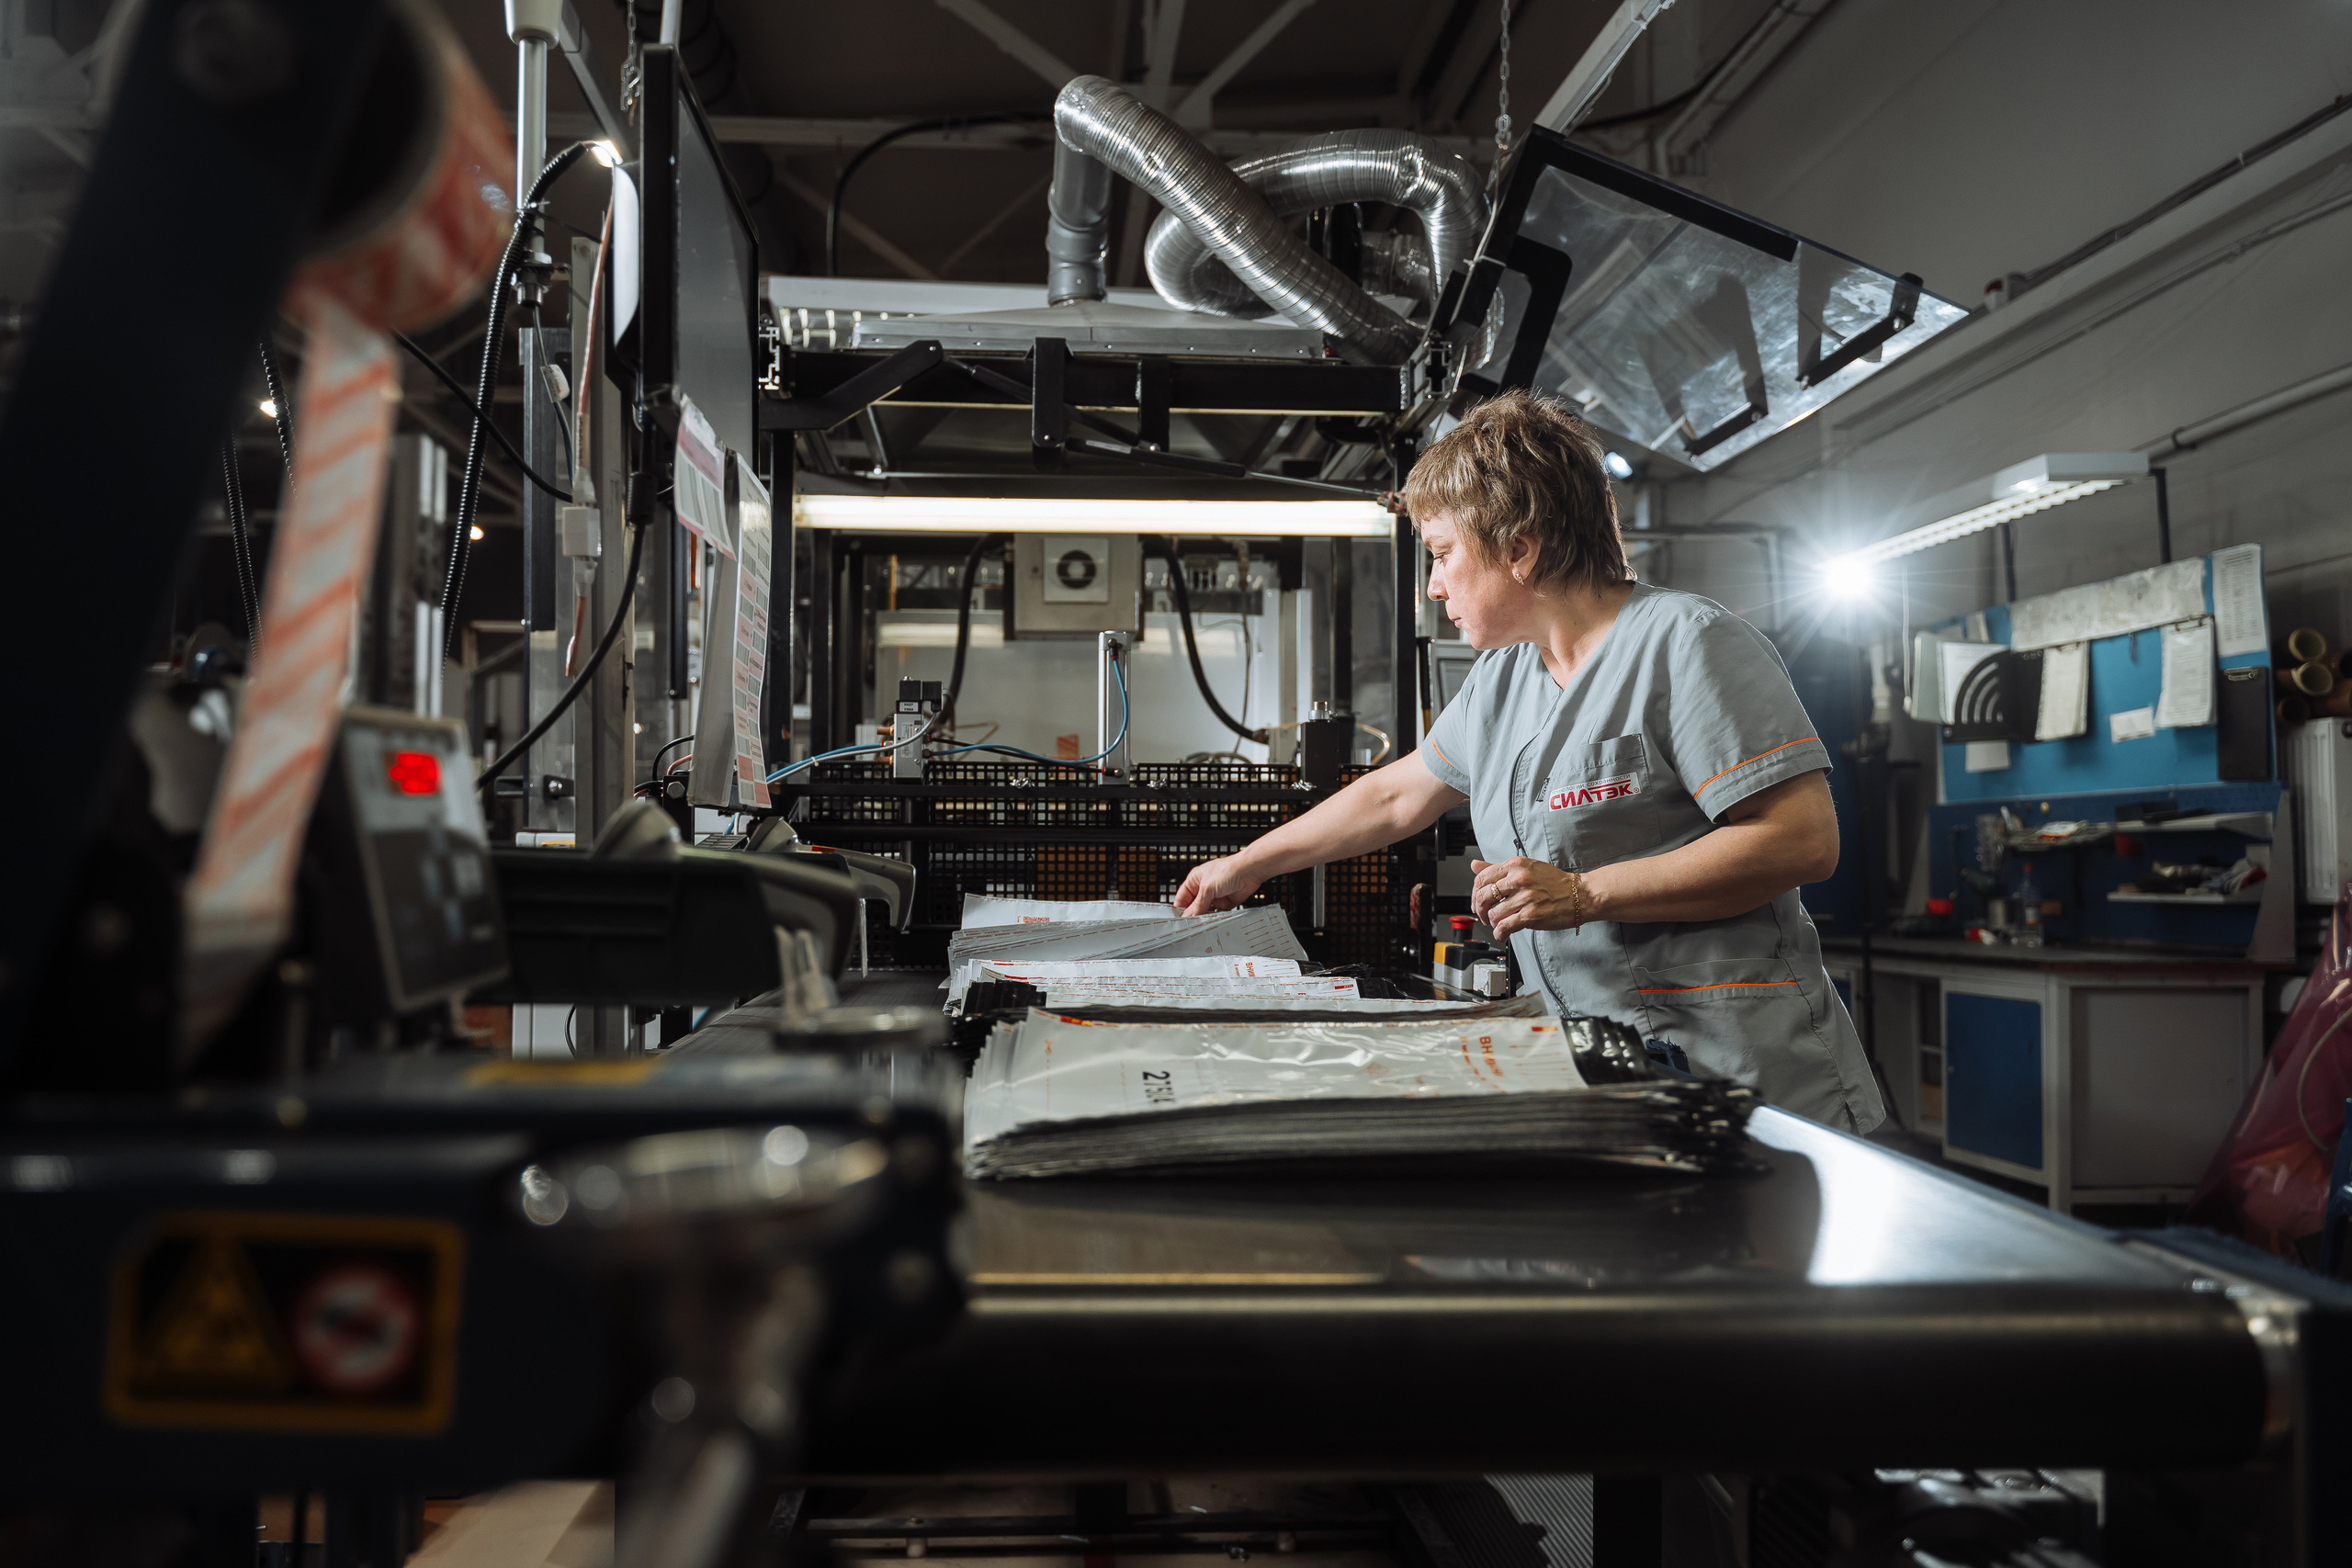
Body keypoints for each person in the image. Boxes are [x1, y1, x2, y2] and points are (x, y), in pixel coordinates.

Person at [1173, 389, 1883, 1134]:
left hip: (1745, 1072)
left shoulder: (1688, 642)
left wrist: (1584, 892)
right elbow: (1395, 795)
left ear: (1519, 547)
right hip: (1609, 1074)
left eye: (1443, 554)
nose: (1433, 584)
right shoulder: (1503, 677)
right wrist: (1247, 864)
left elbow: (1801, 840)